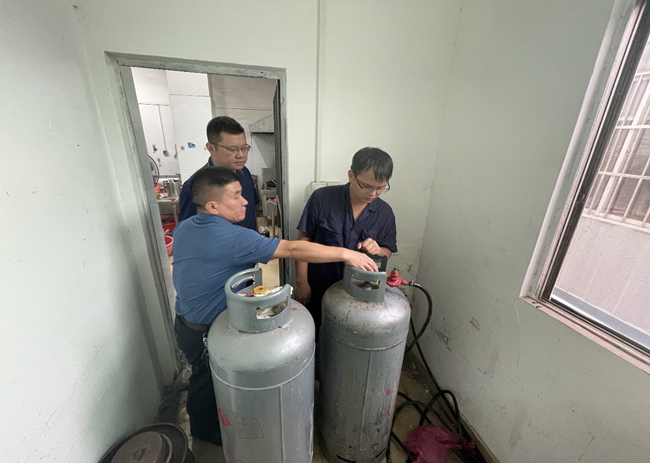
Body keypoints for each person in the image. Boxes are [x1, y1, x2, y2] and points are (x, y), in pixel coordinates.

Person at [172, 166, 377, 446]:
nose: (246, 201)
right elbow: (292, 249)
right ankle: (208, 435)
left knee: (203, 375)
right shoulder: (234, 239)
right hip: (207, 331)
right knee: (207, 382)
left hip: (185, 322)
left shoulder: (185, 227)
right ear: (212, 206)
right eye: (236, 196)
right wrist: (346, 254)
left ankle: (210, 424)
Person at [295, 147, 397, 335]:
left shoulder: (385, 213)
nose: (373, 193)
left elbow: (388, 250)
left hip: (360, 289)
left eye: (381, 188)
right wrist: (302, 282)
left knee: (349, 336)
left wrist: (377, 250)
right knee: (316, 330)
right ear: (351, 175)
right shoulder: (322, 199)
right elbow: (303, 241)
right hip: (319, 284)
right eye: (367, 186)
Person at [177, 116, 259, 230]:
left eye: (244, 148)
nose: (241, 155)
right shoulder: (195, 186)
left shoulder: (244, 173)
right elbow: (188, 231)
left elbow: (252, 212)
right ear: (211, 148)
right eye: (232, 149)